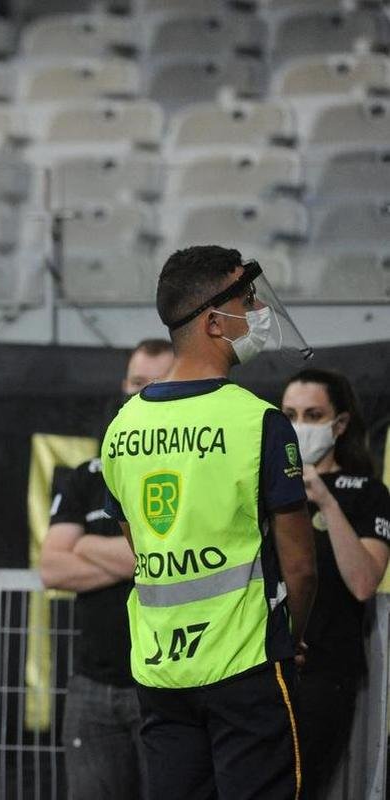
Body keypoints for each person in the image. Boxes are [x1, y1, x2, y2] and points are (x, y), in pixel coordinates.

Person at [99, 245, 318, 800]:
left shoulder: (122, 428)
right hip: (246, 668)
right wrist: (289, 635)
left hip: (160, 672)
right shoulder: (258, 422)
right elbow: (301, 566)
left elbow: (140, 544)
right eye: (248, 300)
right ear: (215, 322)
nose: (258, 312)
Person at [40, 338, 174, 800]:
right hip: (93, 687)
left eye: (157, 384)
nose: (144, 394)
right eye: (138, 383)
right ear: (124, 386)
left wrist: (90, 545)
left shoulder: (188, 470)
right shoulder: (89, 475)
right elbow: (53, 567)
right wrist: (139, 560)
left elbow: (171, 566)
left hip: (166, 683)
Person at [280, 368, 390, 797]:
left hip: (325, 674)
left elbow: (364, 582)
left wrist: (324, 497)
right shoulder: (266, 488)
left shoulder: (366, 492)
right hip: (261, 669)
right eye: (289, 414)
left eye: (312, 415)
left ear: (339, 424)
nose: (299, 426)